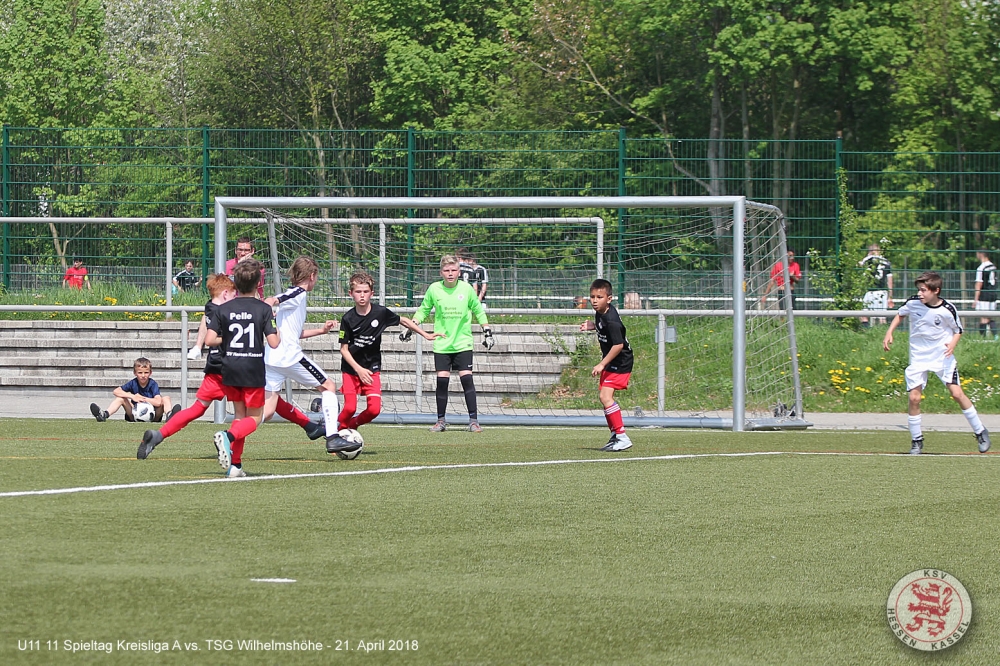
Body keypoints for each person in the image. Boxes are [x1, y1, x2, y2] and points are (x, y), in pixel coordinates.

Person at [883, 271, 990, 455]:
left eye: (923, 290)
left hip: (942, 357)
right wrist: (889, 332)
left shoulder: (947, 309)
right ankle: (916, 440)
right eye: (919, 289)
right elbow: (901, 314)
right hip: (919, 357)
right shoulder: (913, 302)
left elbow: (958, 330)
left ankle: (980, 431)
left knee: (957, 393)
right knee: (914, 398)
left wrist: (952, 345)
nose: (920, 293)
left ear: (936, 290)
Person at [259, 256, 353, 455]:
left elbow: (294, 332)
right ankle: (333, 438)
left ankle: (231, 435)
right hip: (289, 357)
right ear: (311, 276)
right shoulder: (298, 293)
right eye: (316, 277)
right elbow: (271, 300)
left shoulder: (295, 297)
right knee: (328, 386)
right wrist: (268, 310)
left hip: (272, 359)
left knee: (267, 412)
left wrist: (321, 330)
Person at [204, 260, 280, 478]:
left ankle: (235, 465)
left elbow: (209, 340)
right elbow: (274, 342)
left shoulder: (224, 309)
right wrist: (276, 323)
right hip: (252, 368)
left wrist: (227, 338)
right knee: (255, 418)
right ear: (258, 283)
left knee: (240, 415)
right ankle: (227, 436)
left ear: (235, 284)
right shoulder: (263, 309)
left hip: (230, 367)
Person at [338, 271, 440, 432]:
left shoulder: (380, 313)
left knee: (374, 410)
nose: (362, 295)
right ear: (351, 294)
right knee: (350, 408)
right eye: (358, 292)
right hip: (351, 369)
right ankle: (335, 431)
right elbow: (344, 350)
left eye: (365, 291)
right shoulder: (347, 318)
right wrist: (358, 369)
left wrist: (425, 334)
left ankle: (351, 426)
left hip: (371, 368)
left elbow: (403, 320)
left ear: (372, 293)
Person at [411, 255, 494, 432]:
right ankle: (441, 421)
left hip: (463, 343)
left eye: (453, 270)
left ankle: (473, 421)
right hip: (442, 344)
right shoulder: (434, 289)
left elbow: (478, 310)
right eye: (446, 270)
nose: (450, 273)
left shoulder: (466, 289)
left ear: (459, 272)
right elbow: (423, 310)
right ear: (441, 272)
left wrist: (487, 331)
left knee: (467, 380)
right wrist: (412, 326)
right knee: (442, 381)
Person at [187, 237, 266, 360]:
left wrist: (242, 266)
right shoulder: (228, 264)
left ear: (252, 251)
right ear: (235, 250)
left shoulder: (258, 268)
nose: (243, 253)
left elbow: (251, 287)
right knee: (208, 312)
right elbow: (222, 286)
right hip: (230, 302)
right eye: (240, 249)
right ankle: (198, 347)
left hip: (249, 301)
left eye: (246, 250)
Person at [579, 278, 634, 451]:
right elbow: (604, 329)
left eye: (599, 297)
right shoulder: (601, 313)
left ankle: (622, 437)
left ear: (609, 299)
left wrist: (602, 364)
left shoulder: (612, 321)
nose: (595, 301)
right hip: (612, 360)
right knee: (604, 397)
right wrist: (593, 326)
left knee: (605, 397)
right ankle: (615, 435)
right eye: (592, 297)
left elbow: (618, 345)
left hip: (621, 361)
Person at [90, 357, 179, 423]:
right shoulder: (133, 383)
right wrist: (132, 396)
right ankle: (104, 415)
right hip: (134, 413)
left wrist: (143, 399)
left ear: (150, 373)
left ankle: (170, 416)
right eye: (140, 373)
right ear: (135, 373)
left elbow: (158, 402)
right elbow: (116, 391)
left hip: (153, 415)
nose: (143, 375)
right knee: (120, 398)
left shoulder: (152, 384)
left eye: (146, 372)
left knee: (166, 398)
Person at [860, 244, 893, 326]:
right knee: (882, 317)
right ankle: (883, 331)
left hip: (871, 291)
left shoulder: (868, 260)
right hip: (882, 292)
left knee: (863, 314)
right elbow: (890, 281)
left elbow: (859, 265)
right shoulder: (886, 262)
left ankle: (866, 330)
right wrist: (890, 296)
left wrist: (867, 257)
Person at [972, 249, 997, 338]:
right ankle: (995, 336)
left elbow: (979, 284)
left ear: (980, 254)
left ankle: (982, 338)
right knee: (989, 317)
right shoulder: (993, 266)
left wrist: (976, 299)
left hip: (984, 295)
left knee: (983, 318)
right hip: (993, 295)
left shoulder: (981, 268)